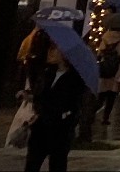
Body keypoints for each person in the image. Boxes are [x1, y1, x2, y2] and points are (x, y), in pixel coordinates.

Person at [24, 41, 88, 172]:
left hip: (60, 130)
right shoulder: (48, 73)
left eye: (54, 49)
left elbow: (72, 103)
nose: (50, 52)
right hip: (41, 128)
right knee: (32, 164)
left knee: (57, 164)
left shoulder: (75, 79)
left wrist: (65, 120)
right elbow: (41, 95)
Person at [94, 28, 120, 129]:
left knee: (102, 94)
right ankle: (106, 117)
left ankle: (92, 112)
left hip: (105, 68)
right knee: (112, 95)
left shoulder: (105, 37)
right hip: (117, 69)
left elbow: (99, 53)